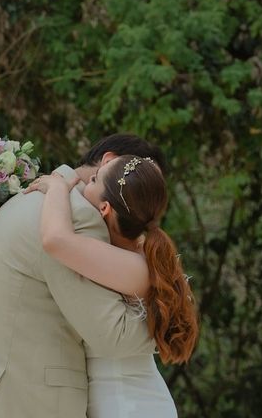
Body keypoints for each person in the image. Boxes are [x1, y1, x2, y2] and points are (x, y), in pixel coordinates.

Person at [0, 134, 168, 418]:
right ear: (110, 162)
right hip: (32, 401)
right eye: (137, 191)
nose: (139, 209)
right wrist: (168, 327)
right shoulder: (77, 217)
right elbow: (112, 336)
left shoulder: (27, 199)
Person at [25, 154, 199, 417]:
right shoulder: (127, 257)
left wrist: (59, 187)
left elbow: (55, 240)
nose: (86, 184)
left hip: (130, 406)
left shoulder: (134, 266)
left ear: (104, 208)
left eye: (93, 180)